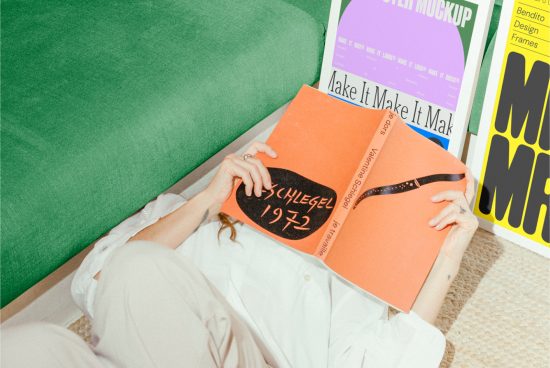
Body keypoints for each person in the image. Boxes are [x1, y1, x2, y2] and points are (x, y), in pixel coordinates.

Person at [2, 142, 478, 368]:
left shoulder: (337, 270)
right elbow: (93, 283)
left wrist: (447, 261)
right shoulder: (183, 211)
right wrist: (205, 203)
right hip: (124, 356)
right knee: (26, 347)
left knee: (139, 268)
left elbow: (384, 362)